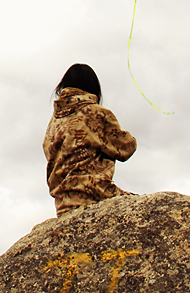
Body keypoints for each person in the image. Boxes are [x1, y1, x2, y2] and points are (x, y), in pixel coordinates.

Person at [43, 63, 137, 216]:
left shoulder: (53, 123)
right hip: (96, 195)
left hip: (63, 205)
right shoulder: (97, 113)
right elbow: (126, 148)